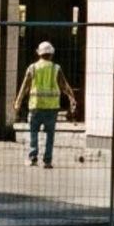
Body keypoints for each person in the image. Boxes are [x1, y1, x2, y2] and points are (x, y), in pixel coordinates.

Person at [12, 41, 78, 169]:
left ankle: (33, 158)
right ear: (51, 54)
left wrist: (18, 102)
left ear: (39, 53)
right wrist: (72, 98)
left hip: (35, 106)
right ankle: (47, 161)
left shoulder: (32, 68)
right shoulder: (56, 68)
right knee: (50, 135)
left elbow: (24, 86)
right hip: (52, 108)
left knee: (33, 133)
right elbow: (64, 85)